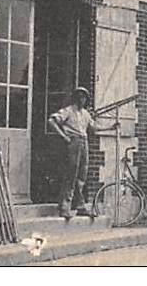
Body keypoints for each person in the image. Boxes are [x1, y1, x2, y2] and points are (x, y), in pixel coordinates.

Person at [48, 87, 116, 218]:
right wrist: (64, 136)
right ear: (75, 97)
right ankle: (64, 207)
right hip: (73, 142)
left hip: (84, 143)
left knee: (82, 176)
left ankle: (80, 206)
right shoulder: (68, 110)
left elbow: (94, 127)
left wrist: (110, 127)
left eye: (84, 97)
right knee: (71, 174)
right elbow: (52, 121)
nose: (82, 99)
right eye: (79, 96)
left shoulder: (85, 114)